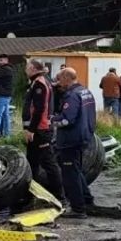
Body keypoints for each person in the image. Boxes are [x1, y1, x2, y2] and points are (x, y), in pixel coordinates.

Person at [54, 68, 96, 218]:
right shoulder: (86, 91)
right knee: (77, 170)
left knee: (70, 175)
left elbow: (67, 120)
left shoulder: (72, 96)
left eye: (60, 79)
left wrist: (51, 120)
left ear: (67, 78)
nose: (59, 83)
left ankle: (78, 209)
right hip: (84, 137)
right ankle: (87, 201)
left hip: (70, 140)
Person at [22, 59, 64, 201]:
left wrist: (31, 130)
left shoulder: (40, 83)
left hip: (41, 130)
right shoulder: (37, 82)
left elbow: (39, 109)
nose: (25, 70)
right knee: (32, 163)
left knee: (48, 163)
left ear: (33, 69)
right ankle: (31, 195)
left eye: (27, 67)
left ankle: (60, 197)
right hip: (37, 129)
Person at [0, 56, 15, 138]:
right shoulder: (9, 69)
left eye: (1, 60)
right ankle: (7, 134)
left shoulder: (4, 70)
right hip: (7, 95)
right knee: (5, 115)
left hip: (2, 94)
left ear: (6, 61)